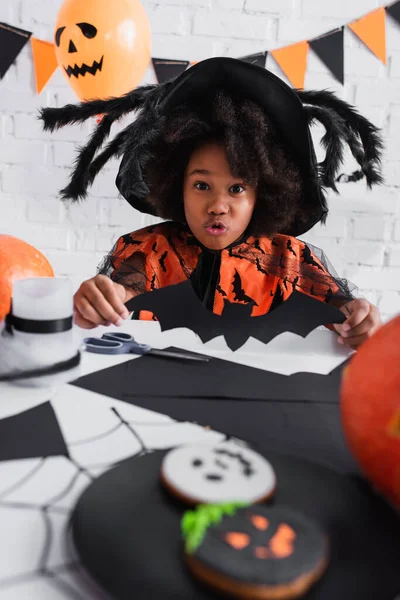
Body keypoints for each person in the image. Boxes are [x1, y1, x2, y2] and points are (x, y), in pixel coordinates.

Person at [41, 57, 382, 349]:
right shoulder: (150, 252)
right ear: (177, 186)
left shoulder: (289, 262)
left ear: (262, 195)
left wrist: (358, 321)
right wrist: (98, 301)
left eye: (236, 189)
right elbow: (123, 291)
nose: (218, 205)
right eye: (202, 185)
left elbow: (342, 313)